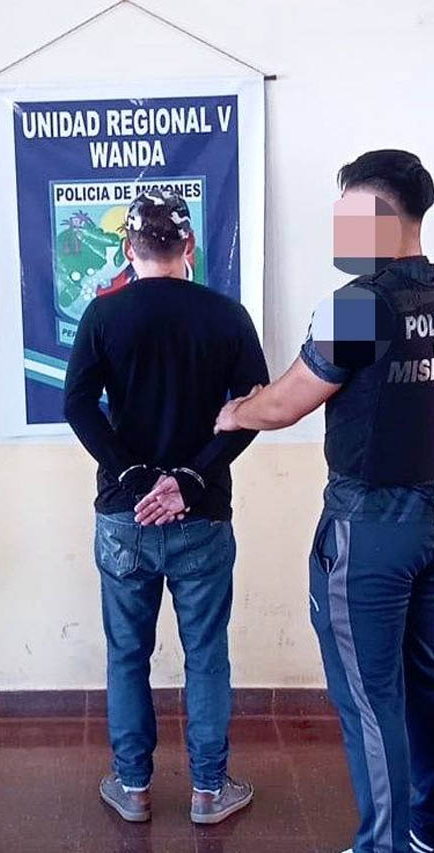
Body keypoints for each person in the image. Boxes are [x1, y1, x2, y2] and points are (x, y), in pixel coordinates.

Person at [207, 150, 434, 853]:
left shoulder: (361, 305)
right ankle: (425, 829)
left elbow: (287, 402)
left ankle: (384, 845)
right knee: (425, 684)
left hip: (370, 532)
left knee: (370, 699)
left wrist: (237, 411)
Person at [64, 189, 269, 825]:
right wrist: (190, 479)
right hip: (201, 515)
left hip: (124, 516)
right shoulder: (227, 315)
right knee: (206, 654)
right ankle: (208, 790)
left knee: (127, 654)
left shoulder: (103, 314)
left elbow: (77, 405)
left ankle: (133, 788)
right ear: (189, 247)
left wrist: (132, 476)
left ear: (128, 249)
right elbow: (255, 407)